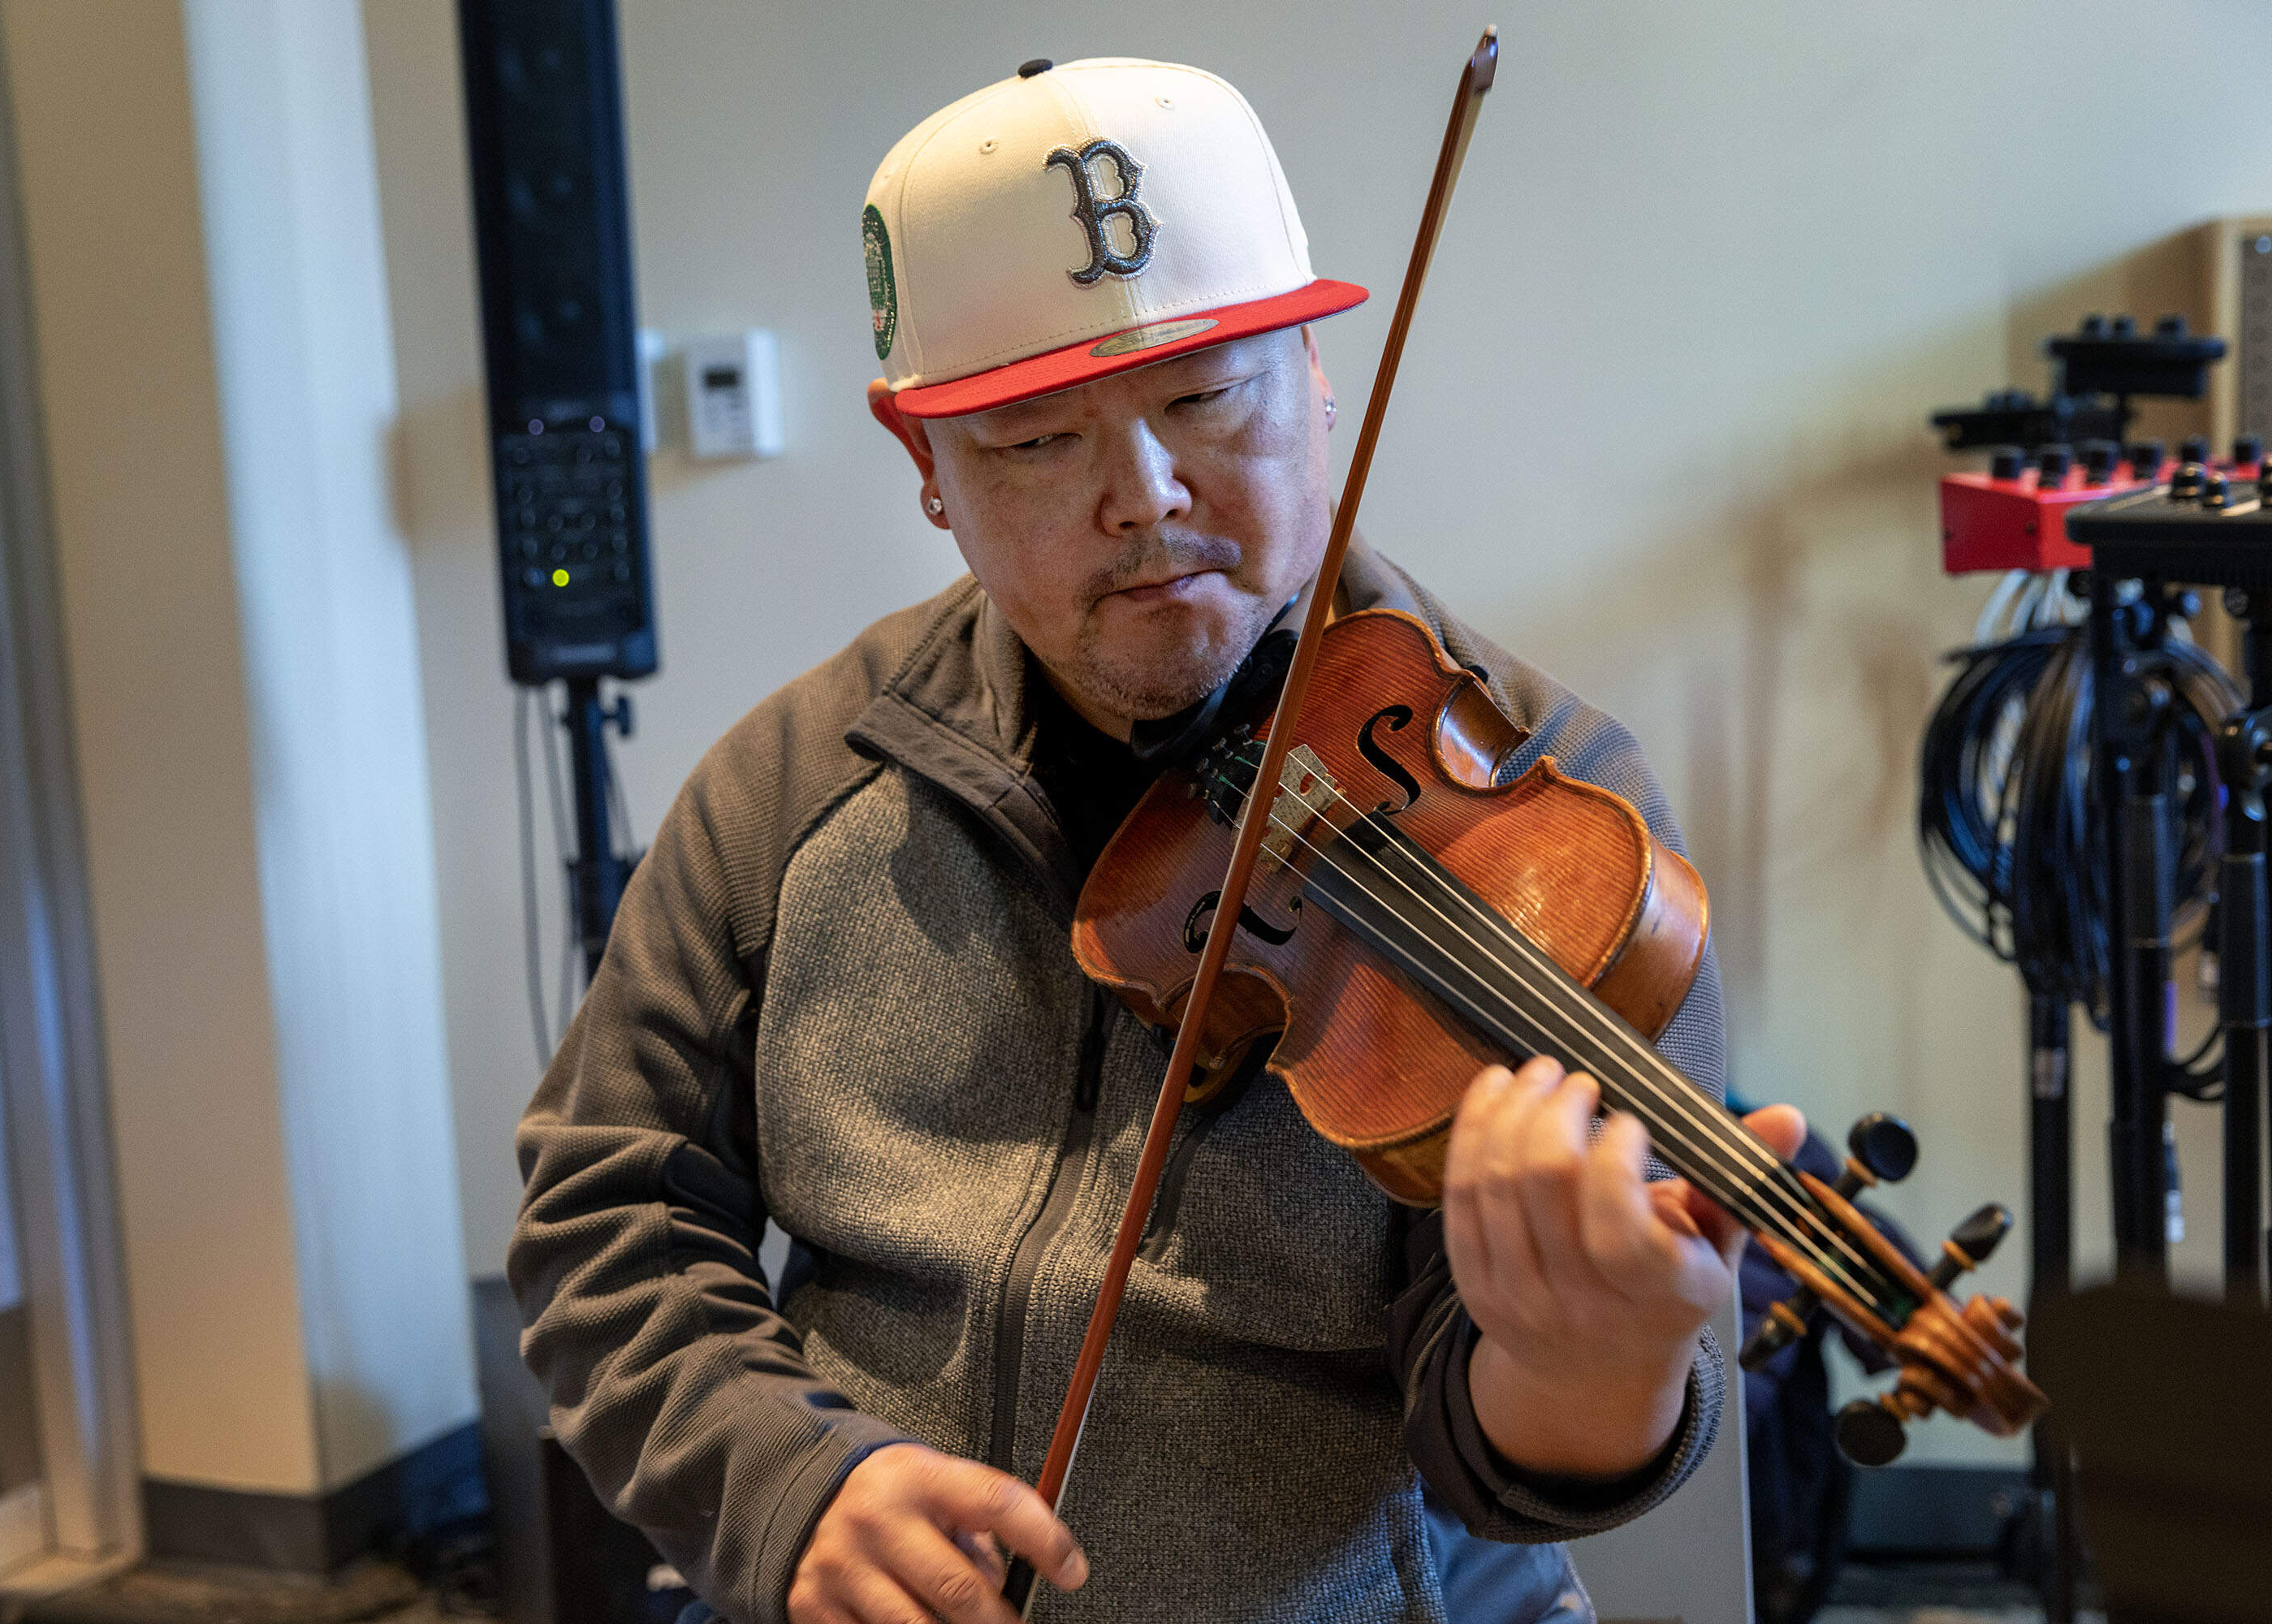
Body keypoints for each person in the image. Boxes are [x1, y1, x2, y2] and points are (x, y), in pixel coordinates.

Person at [511, 55, 1803, 1624]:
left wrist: (1588, 1363)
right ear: (923, 464)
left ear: (1316, 372)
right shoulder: (794, 780)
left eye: (1207, 397)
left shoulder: (1549, 813)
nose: (1146, 494)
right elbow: (608, 1208)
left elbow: (1520, 1453)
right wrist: (794, 1489)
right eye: (1037, 442)